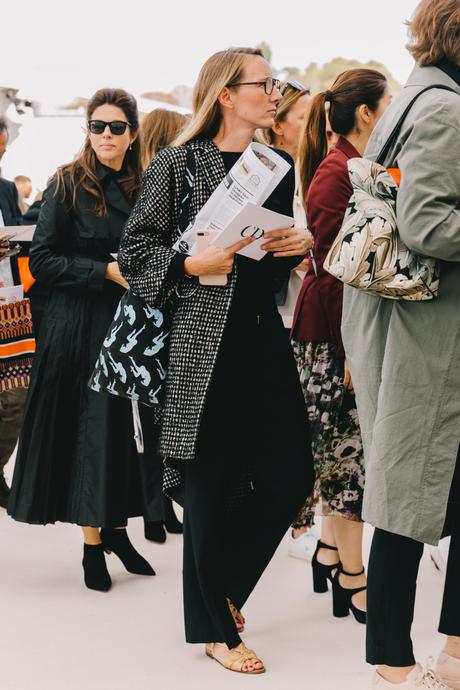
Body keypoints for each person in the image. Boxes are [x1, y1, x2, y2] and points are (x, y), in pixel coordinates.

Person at [119, 47, 314, 674]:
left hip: (260, 335)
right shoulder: (177, 163)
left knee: (290, 473)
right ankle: (215, 628)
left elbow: (269, 257)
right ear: (227, 94)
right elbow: (135, 256)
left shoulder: (277, 164)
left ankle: (223, 590)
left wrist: (297, 244)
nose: (275, 93)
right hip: (200, 344)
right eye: (265, 84)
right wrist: (189, 265)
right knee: (207, 482)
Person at [340, 1, 460, 687]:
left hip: (409, 326)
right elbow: (427, 222)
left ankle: (441, 654)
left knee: (408, 495)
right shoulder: (444, 108)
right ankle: (392, 660)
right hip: (428, 336)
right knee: (405, 502)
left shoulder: (418, 94)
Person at [8, 88, 156, 592]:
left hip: (129, 322)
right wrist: (104, 271)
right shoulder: (68, 182)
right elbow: (43, 259)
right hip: (77, 324)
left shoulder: (148, 182)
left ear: (132, 133)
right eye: (98, 126)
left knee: (122, 430)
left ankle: (116, 529)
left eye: (117, 127)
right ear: (87, 131)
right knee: (89, 431)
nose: (107, 136)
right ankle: (93, 543)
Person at [291, 68, 391, 622]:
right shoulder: (336, 175)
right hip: (330, 336)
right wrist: (350, 348)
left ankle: (330, 552)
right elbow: (333, 273)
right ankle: (353, 574)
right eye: (388, 101)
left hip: (334, 332)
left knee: (339, 453)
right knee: (347, 459)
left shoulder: (349, 167)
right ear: (368, 113)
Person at [139, 107, 188, 544]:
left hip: (160, 310)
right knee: (151, 417)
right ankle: (156, 509)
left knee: (157, 416)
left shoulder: (157, 179)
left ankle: (162, 507)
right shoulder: (157, 182)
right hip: (151, 313)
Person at [0, 116, 26, 510]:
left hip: (10, 303)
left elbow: (22, 231)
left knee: (16, 398)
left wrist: (16, 244)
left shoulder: (6, 189)